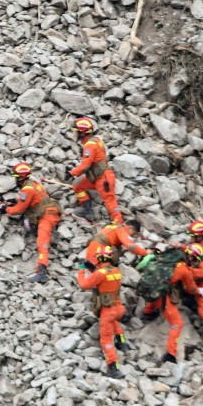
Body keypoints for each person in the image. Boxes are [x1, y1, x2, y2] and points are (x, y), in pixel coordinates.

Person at [0, 162, 61, 284]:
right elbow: (34, 198)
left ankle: (42, 272)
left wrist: (6, 209)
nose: (15, 180)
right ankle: (34, 228)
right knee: (28, 221)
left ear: (21, 177)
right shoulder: (33, 184)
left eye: (16, 177)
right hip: (48, 211)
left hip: (47, 216)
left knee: (42, 243)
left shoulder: (27, 190)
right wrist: (16, 200)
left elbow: (18, 210)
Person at [142, 244, 202, 364]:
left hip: (152, 287)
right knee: (177, 323)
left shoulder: (171, 255)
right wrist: (199, 290)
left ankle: (147, 312)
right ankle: (170, 354)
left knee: (156, 294)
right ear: (191, 257)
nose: (195, 263)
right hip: (163, 296)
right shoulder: (184, 270)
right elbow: (191, 288)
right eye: (195, 260)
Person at [77, 246, 129, 378]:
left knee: (106, 339)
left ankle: (114, 367)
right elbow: (103, 276)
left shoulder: (100, 273)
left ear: (99, 258)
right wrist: (93, 269)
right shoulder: (116, 270)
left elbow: (84, 285)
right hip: (118, 308)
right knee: (114, 322)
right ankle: (123, 343)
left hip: (108, 310)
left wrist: (82, 270)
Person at [69, 116, 122, 223]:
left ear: (82, 133)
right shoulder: (95, 140)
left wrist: (72, 173)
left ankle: (119, 224)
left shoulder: (90, 145)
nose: (74, 134)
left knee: (111, 203)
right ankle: (87, 210)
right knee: (77, 185)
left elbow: (85, 165)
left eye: (76, 132)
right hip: (97, 177)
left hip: (103, 179)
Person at [84, 219, 149, 268]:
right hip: (99, 251)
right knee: (107, 271)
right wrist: (145, 252)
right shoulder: (121, 230)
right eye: (134, 233)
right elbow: (130, 246)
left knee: (89, 267)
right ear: (130, 228)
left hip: (92, 249)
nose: (132, 236)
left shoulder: (112, 226)